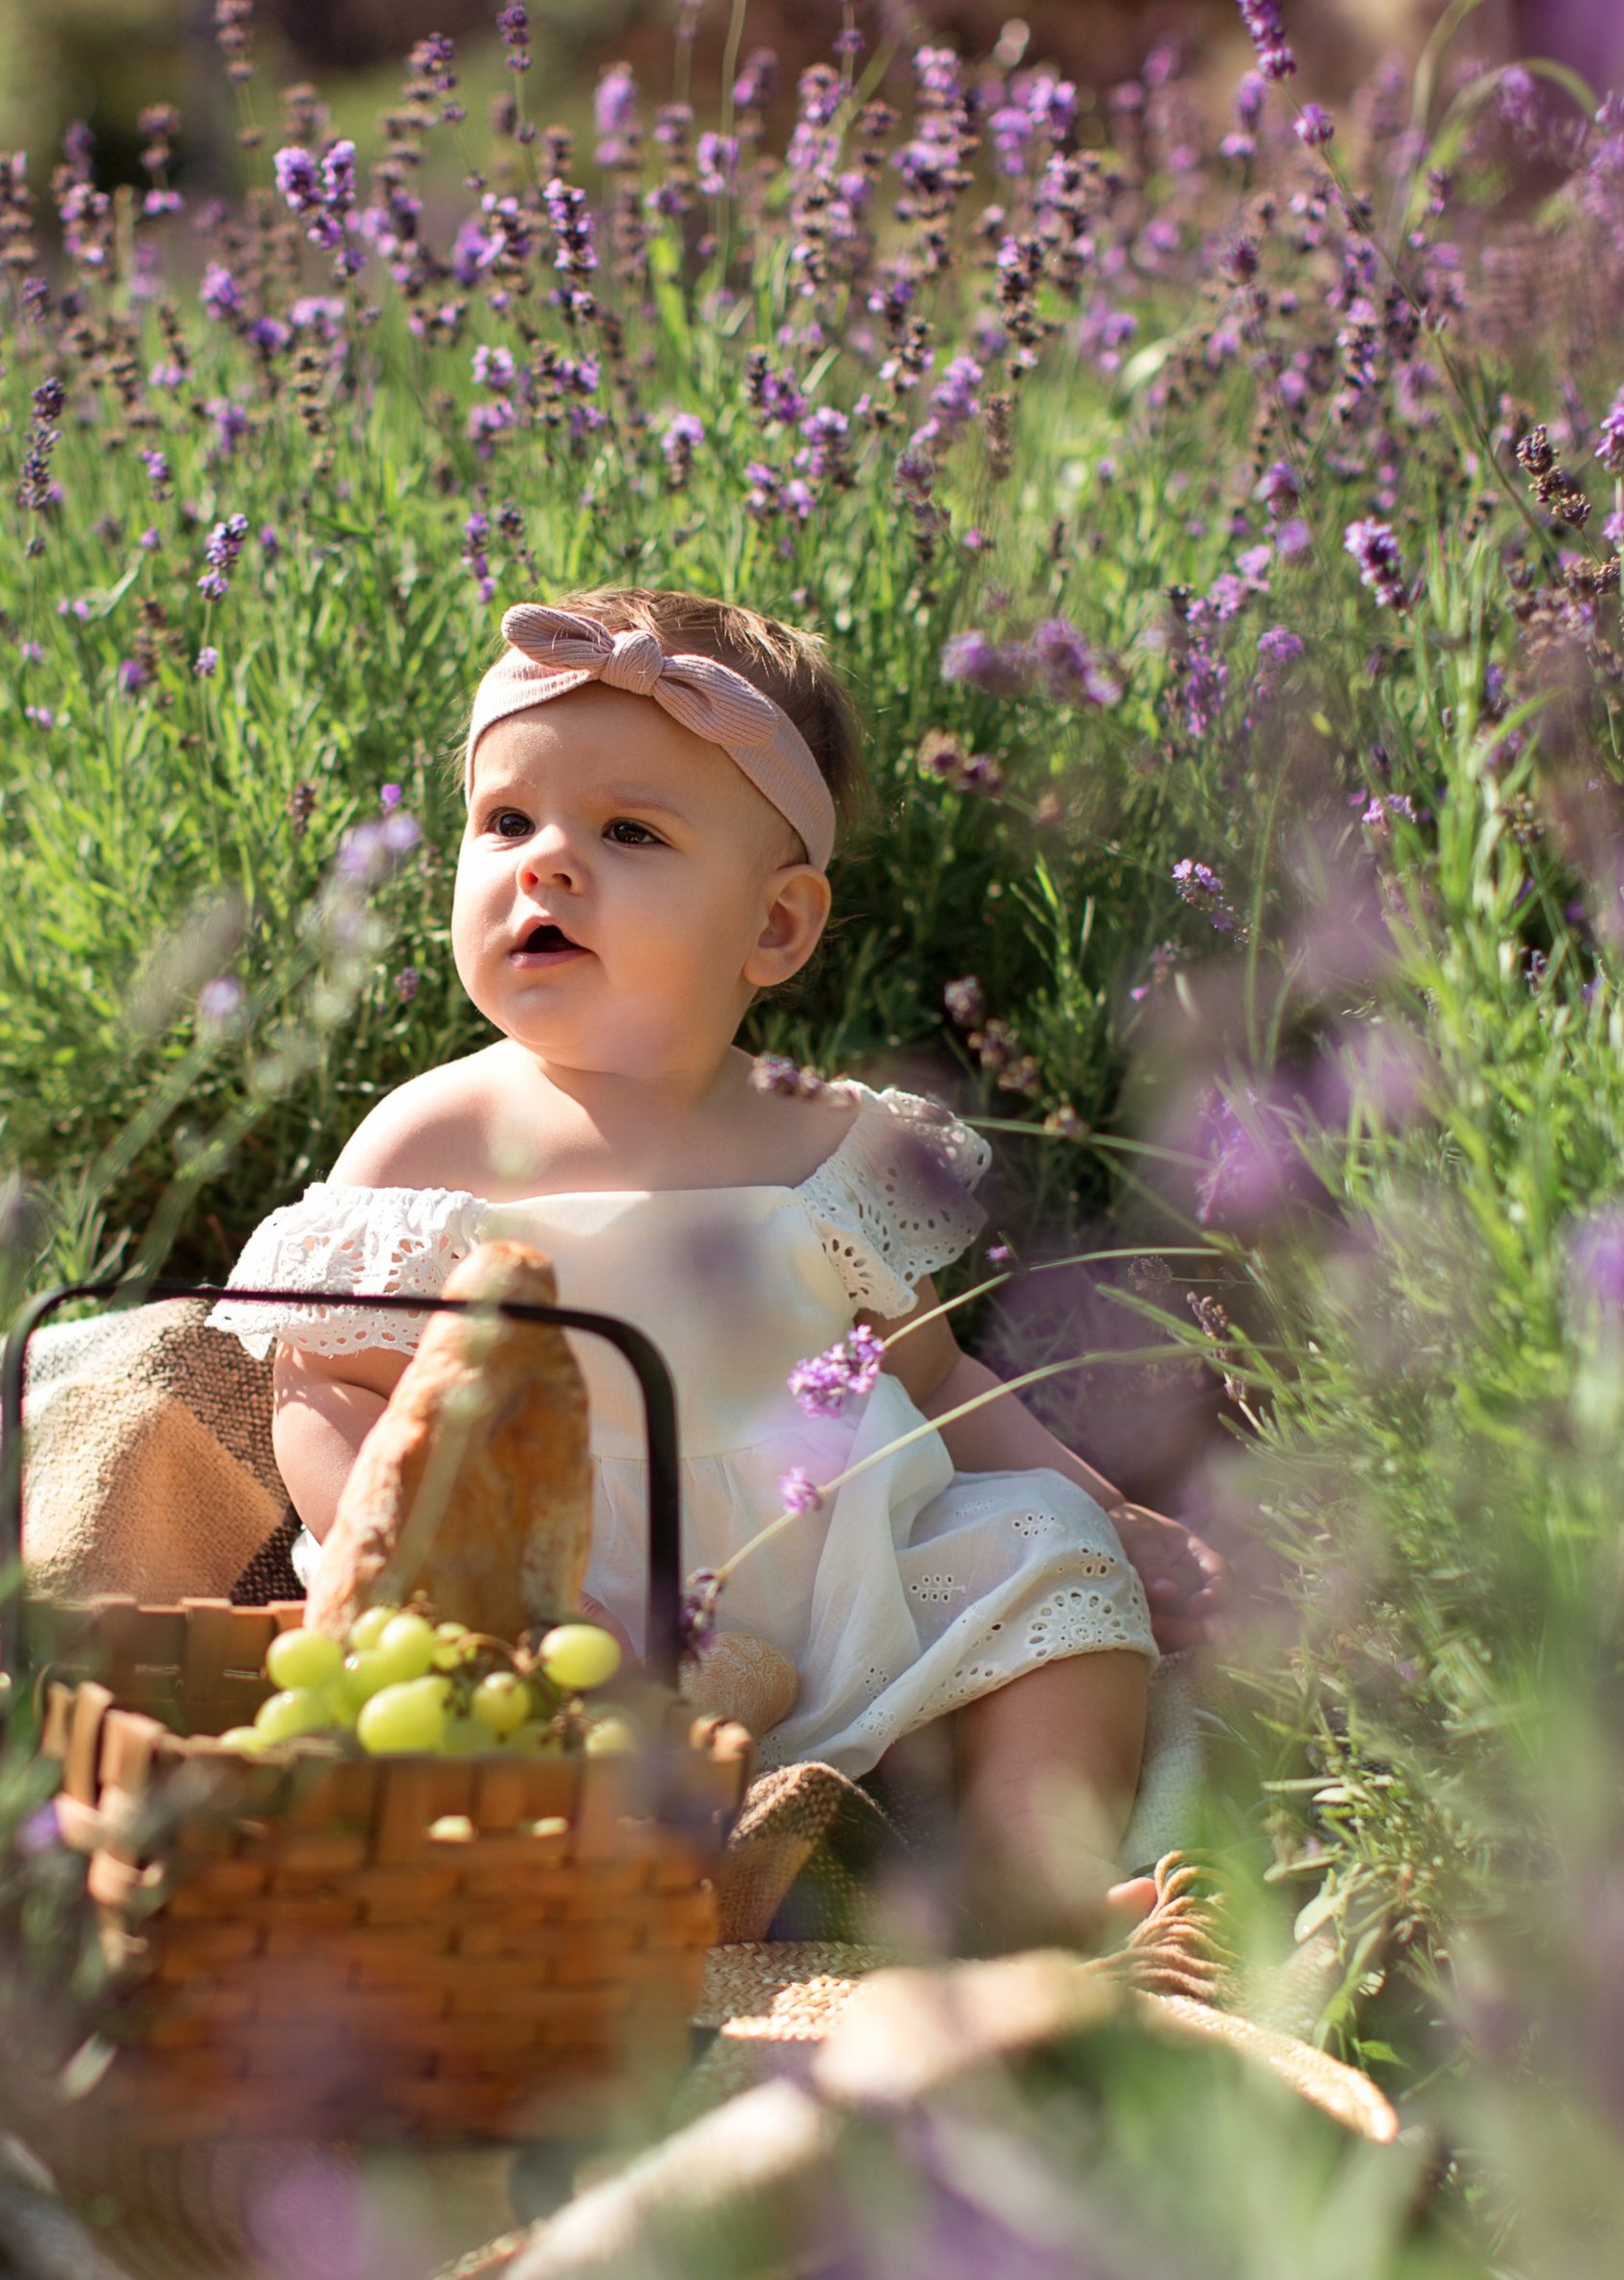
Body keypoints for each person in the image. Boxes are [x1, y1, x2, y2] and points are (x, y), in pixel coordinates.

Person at [209, 589, 1223, 1949]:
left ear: (777, 927)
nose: (545, 865)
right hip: (551, 1599)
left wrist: (1108, 1508)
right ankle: (567, 1898)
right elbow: (325, 1385)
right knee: (442, 1732)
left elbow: (932, 1380)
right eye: (505, 822)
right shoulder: (434, 1138)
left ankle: (1028, 1875)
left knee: (1055, 1568)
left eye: (627, 832)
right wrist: (442, 1582)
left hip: (838, 1585)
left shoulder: (825, 1143)